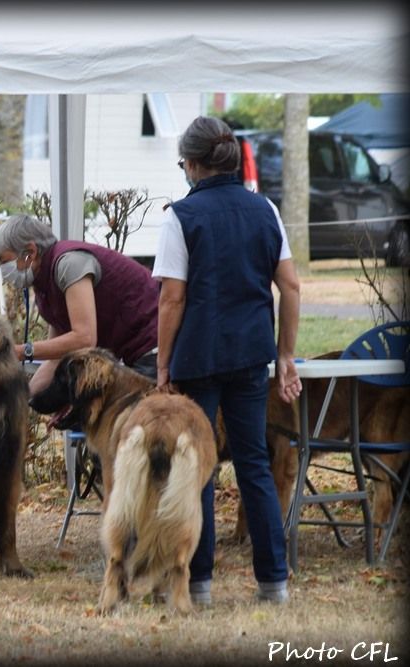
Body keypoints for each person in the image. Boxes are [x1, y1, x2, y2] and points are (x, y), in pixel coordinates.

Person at [153, 115, 301, 605]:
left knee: (199, 468)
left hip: (198, 356)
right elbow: (291, 287)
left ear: (193, 164)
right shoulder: (266, 211)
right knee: (255, 464)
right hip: (251, 353)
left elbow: (172, 300)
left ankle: (199, 585)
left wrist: (162, 366)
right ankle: (273, 582)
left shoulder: (181, 216)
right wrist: (285, 356)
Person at [0, 214, 161, 394]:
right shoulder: (44, 285)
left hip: (154, 343)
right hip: (134, 353)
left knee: (136, 419)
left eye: (4, 261)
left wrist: (21, 351)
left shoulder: (69, 265)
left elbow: (84, 338)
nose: (2, 270)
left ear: (30, 252)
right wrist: (22, 402)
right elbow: (56, 359)